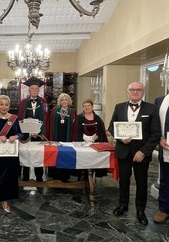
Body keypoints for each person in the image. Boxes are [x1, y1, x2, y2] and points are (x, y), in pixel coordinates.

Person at [108, 82, 161, 225]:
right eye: (132, 89)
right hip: (123, 151)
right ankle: (123, 205)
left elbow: (156, 134)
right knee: (124, 180)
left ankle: (140, 210)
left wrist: (144, 151)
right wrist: (120, 138)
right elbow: (112, 127)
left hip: (141, 153)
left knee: (141, 181)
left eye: (139, 90)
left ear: (143, 92)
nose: (135, 92)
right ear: (128, 92)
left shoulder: (152, 108)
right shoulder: (119, 107)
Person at [0, 95, 23, 212]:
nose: (4, 107)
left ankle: (5, 200)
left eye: (6, 105)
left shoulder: (14, 119)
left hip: (11, 154)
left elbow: (21, 134)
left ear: (9, 106)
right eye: (1, 104)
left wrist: (15, 136)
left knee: (9, 178)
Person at [18, 76, 49, 182]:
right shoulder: (23, 102)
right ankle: (25, 177)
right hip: (26, 134)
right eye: (32, 89)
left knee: (38, 155)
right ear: (29, 90)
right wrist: (26, 130)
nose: (34, 90)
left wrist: (40, 131)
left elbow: (46, 117)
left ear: (39, 90)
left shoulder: (44, 102)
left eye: (36, 89)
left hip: (39, 134)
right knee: (25, 154)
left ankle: (39, 177)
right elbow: (20, 118)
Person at [72, 98, 108, 178]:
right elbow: (76, 130)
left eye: (88, 106)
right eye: (84, 106)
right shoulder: (79, 117)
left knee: (93, 160)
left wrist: (93, 138)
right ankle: (82, 176)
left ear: (92, 106)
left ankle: (91, 175)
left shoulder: (97, 118)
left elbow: (101, 131)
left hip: (95, 143)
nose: (86, 107)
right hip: (82, 143)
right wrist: (85, 137)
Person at [48, 93, 77, 182]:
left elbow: (75, 126)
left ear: (69, 101)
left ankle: (65, 175)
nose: (64, 102)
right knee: (55, 154)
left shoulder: (72, 111)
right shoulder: (54, 110)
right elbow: (50, 124)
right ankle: (54, 175)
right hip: (56, 136)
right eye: (62, 100)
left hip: (67, 137)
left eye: (66, 100)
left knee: (65, 155)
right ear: (59, 101)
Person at [153, 94, 169, 223]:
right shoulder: (160, 101)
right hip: (166, 146)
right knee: (165, 178)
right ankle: (164, 209)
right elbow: (154, 123)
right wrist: (159, 139)